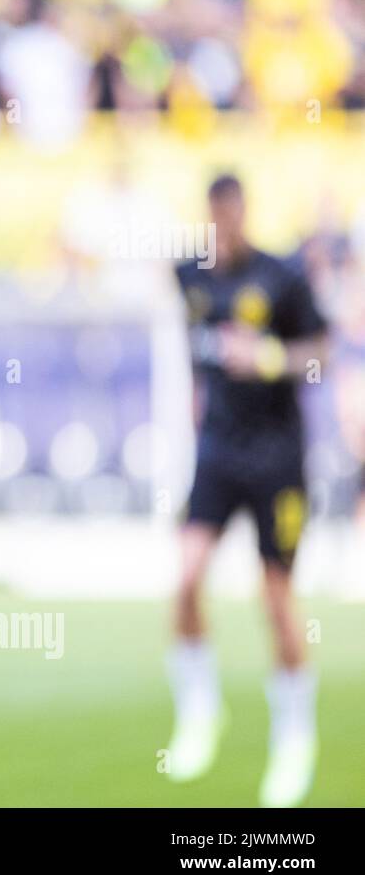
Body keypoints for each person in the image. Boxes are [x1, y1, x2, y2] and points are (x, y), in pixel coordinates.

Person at [169, 174, 328, 807]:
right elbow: (194, 345)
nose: (223, 228)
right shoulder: (192, 278)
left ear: (243, 212)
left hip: (277, 459)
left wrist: (267, 358)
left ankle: (295, 736)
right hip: (218, 453)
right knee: (185, 575)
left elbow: (319, 352)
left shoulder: (283, 279)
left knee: (276, 598)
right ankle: (199, 709)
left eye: (231, 216)